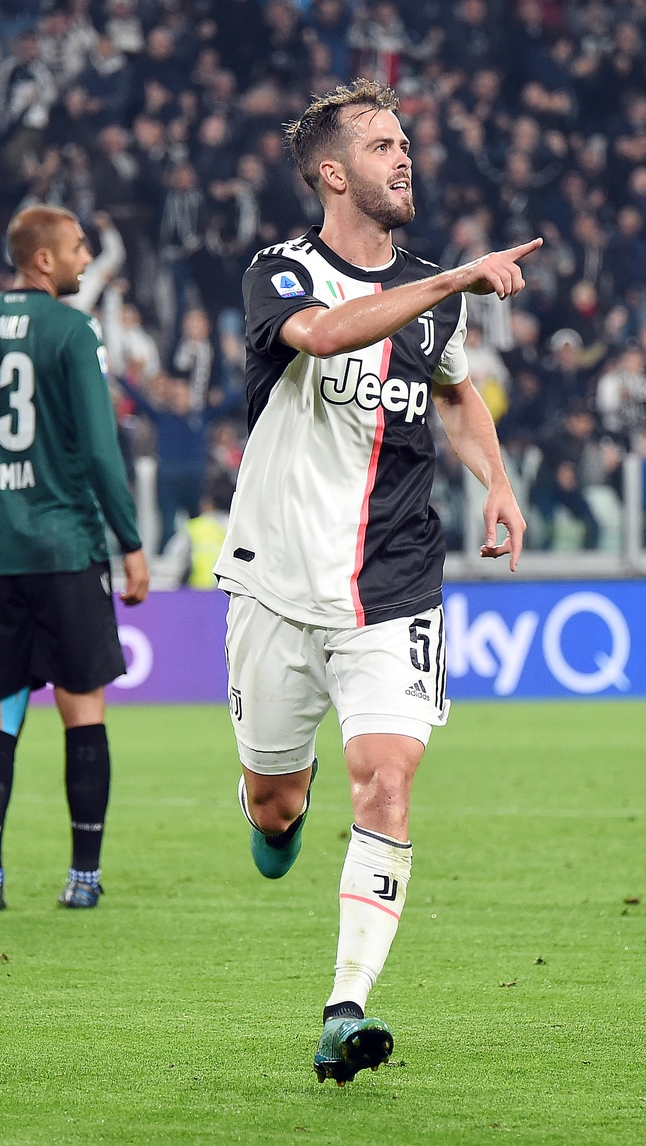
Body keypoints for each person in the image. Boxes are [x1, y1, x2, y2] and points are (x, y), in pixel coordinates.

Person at [213, 79, 540, 1086]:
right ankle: (278, 804)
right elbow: (322, 336)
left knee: (387, 779)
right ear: (331, 172)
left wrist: (497, 481)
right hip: (276, 583)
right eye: (383, 144)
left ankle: (345, 1009)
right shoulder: (279, 272)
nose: (404, 157)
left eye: (405, 143)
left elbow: (456, 395)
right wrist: (455, 284)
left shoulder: (434, 291)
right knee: (275, 807)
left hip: (394, 582)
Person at [0, 204, 150, 912]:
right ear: (43, 259)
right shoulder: (71, 329)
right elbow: (99, 450)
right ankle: (83, 877)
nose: (87, 259)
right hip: (65, 547)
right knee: (82, 707)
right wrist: (130, 543)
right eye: (79, 248)